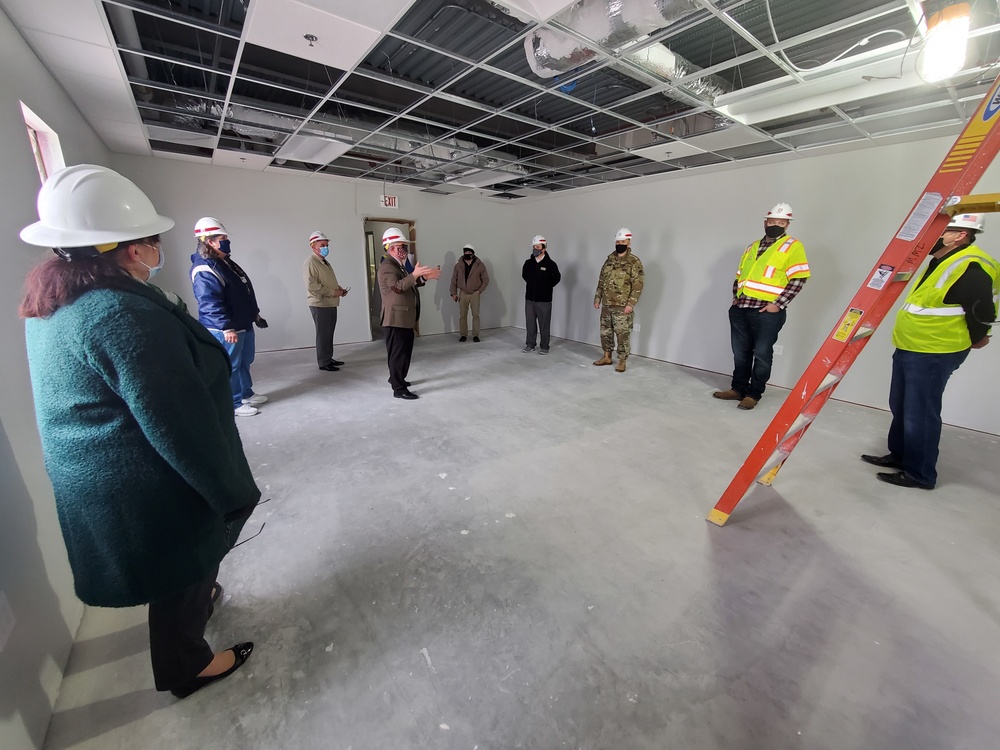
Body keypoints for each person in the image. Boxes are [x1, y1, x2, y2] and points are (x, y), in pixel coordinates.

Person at [18, 164, 258, 699]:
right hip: (143, 479)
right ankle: (186, 668)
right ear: (130, 249)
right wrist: (231, 491)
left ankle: (199, 600)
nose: (156, 250)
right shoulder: (121, 316)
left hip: (102, 470)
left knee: (184, 566)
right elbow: (178, 425)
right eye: (151, 241)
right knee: (186, 553)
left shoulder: (56, 302)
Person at [862, 213, 999, 489]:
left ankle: (920, 473)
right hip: (912, 346)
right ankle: (900, 456)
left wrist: (979, 337)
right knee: (901, 405)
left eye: (941, 230)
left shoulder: (971, 266)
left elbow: (981, 310)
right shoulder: (940, 261)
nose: (932, 236)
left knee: (920, 412)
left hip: (935, 350)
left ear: (960, 235)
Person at [713, 203, 810, 410]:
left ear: (787, 225)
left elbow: (798, 280)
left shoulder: (793, 246)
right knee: (740, 353)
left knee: (762, 354)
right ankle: (737, 389)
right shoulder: (752, 246)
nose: (776, 225)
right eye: (773, 221)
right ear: (765, 223)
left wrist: (778, 305)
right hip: (741, 309)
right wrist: (735, 299)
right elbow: (740, 276)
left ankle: (754, 394)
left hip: (766, 312)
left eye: (781, 222)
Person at [190, 217, 269, 416]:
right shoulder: (205, 268)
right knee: (231, 366)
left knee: (244, 361)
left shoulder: (225, 262)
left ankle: (245, 393)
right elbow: (209, 302)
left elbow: (242, 290)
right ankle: (233, 403)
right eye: (222, 238)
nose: (227, 241)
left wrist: (255, 313)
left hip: (243, 322)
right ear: (209, 241)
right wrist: (226, 327)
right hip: (228, 327)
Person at [378, 227, 441, 399]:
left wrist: (423, 277)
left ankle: (397, 379)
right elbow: (397, 287)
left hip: (403, 317)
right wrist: (415, 275)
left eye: (404, 245)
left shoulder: (398, 264)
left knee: (403, 353)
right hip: (395, 318)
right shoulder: (387, 266)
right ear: (390, 247)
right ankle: (399, 389)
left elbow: (406, 283)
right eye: (401, 246)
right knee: (399, 354)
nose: (404, 249)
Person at [593, 227, 644, 372]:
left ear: (628, 242)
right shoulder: (609, 260)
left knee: (622, 334)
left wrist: (631, 304)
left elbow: (638, 285)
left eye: (623, 241)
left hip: (622, 306)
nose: (619, 243)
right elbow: (601, 281)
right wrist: (597, 297)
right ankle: (607, 356)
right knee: (605, 333)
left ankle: (622, 360)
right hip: (607, 304)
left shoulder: (634, 262)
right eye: (618, 241)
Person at [304, 230, 348, 371]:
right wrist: (332, 292)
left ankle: (328, 358)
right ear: (313, 246)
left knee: (329, 333)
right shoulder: (310, 263)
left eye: (326, 245)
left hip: (330, 303)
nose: (326, 248)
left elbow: (327, 281)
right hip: (320, 304)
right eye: (322, 245)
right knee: (323, 334)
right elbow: (312, 286)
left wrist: (339, 289)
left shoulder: (324, 262)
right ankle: (323, 362)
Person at [522, 234, 561, 354]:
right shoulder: (528, 263)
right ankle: (530, 344)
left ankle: (544, 347)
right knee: (530, 323)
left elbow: (557, 278)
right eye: (534, 246)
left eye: (538, 247)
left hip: (544, 300)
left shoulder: (551, 264)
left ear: (544, 248)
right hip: (530, 299)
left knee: (544, 325)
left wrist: (546, 287)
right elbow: (525, 276)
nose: (535, 249)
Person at [450, 243, 489, 342]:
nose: (467, 254)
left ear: (473, 253)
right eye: (465, 252)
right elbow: (453, 280)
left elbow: (486, 280)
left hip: (475, 293)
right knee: (463, 315)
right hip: (463, 293)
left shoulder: (480, 265)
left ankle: (475, 335)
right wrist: (453, 293)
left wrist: (479, 291)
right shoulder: (459, 265)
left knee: (475, 315)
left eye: (469, 252)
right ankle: (463, 334)